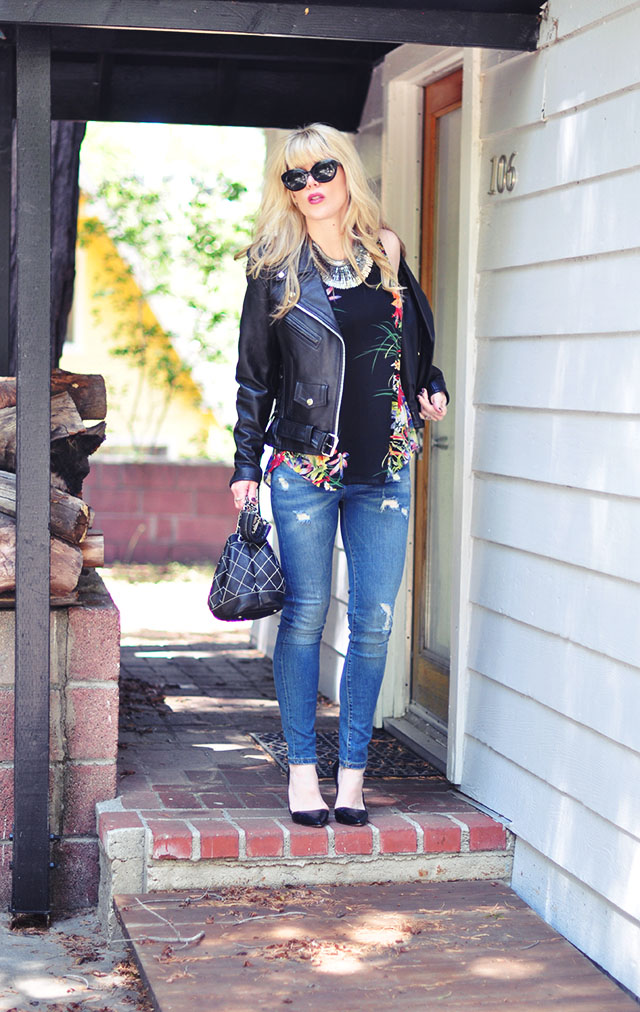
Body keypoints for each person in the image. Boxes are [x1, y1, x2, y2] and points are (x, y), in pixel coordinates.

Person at [230, 123, 448, 828]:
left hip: (385, 465)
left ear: (346, 170)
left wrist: (430, 384)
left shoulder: (385, 251)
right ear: (285, 192)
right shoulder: (275, 269)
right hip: (305, 467)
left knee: (376, 624)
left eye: (321, 168)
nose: (310, 185)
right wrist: (244, 466)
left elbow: (414, 338)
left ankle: (351, 775)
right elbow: (255, 379)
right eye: (294, 177)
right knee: (306, 617)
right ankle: (302, 773)